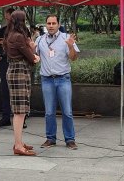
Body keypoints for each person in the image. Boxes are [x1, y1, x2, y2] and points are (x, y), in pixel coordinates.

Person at [35, 14, 79, 150]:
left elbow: (73, 58)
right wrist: (31, 48)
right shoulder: (40, 39)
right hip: (47, 80)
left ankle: (70, 140)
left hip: (63, 79)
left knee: (67, 111)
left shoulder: (66, 38)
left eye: (54, 23)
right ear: (46, 25)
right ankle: (50, 138)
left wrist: (71, 47)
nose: (51, 26)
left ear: (58, 25)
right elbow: (34, 57)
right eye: (49, 23)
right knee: (49, 112)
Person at [4, 10, 40, 156]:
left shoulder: (10, 34)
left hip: (16, 70)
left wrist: (31, 49)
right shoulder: (18, 36)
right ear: (21, 21)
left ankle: (18, 142)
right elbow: (32, 58)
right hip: (19, 71)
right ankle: (18, 145)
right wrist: (34, 53)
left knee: (20, 110)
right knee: (20, 111)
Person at [0, 8, 14, 127]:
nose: (7, 20)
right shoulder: (3, 30)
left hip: (17, 62)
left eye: (8, 17)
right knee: (5, 90)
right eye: (6, 18)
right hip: (5, 62)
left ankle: (22, 118)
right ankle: (5, 117)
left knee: (18, 91)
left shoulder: (22, 29)